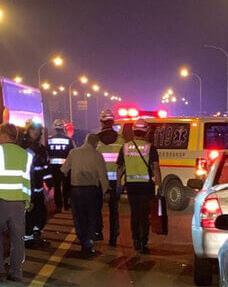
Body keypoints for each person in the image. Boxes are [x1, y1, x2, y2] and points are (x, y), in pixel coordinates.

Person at [0, 123, 32, 281]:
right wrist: (27, 201)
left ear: (5, 135)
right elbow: (26, 180)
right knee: (18, 239)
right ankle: (16, 272)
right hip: (18, 202)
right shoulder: (25, 154)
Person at [116, 119, 162, 254]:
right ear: (146, 131)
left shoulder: (125, 147)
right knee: (144, 216)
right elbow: (156, 169)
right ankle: (143, 242)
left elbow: (119, 168)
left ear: (133, 131)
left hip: (131, 186)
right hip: (146, 186)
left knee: (134, 214)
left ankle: (135, 241)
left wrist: (119, 183)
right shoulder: (150, 147)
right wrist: (159, 186)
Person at [62, 132, 108, 256]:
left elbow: (64, 170)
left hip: (76, 190)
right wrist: (106, 191)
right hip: (91, 191)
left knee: (79, 217)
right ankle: (88, 244)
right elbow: (102, 176)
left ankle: (83, 241)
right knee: (91, 218)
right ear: (95, 143)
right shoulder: (97, 155)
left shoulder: (73, 152)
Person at [95, 109, 124, 246]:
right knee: (114, 210)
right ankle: (113, 237)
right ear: (113, 122)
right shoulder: (121, 140)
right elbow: (123, 163)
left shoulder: (94, 140)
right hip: (114, 181)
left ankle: (98, 232)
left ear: (101, 122)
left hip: (99, 181)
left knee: (97, 207)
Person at [21, 120, 53, 246]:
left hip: (38, 188)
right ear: (28, 131)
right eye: (33, 130)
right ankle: (28, 239)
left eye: (38, 131)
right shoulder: (23, 147)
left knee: (41, 213)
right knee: (29, 213)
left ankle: (36, 234)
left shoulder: (42, 149)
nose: (35, 133)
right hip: (27, 187)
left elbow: (46, 168)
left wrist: (50, 184)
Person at [47, 118, 74, 212]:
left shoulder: (49, 140)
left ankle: (58, 207)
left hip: (54, 167)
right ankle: (66, 205)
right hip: (65, 167)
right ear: (63, 128)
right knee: (66, 186)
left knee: (57, 187)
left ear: (54, 128)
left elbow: (48, 153)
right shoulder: (68, 140)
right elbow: (72, 153)